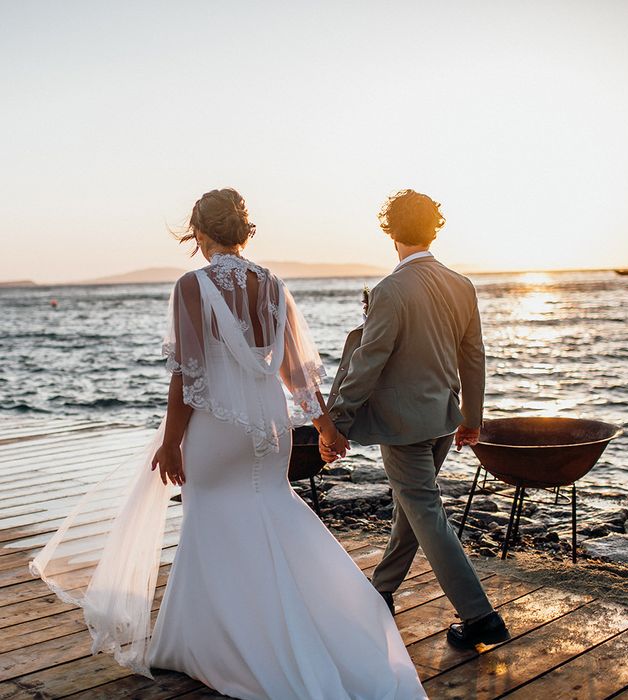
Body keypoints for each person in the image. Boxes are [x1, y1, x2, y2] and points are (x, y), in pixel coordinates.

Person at [31, 188, 426, 700]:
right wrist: (324, 424)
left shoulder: (192, 286)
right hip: (271, 428)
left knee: (210, 520)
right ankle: (290, 630)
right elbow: (296, 372)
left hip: (217, 426)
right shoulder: (273, 284)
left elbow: (187, 375)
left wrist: (171, 441)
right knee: (270, 513)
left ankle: (219, 645)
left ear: (199, 232)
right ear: (242, 231)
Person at [321, 189, 510, 649]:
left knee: (425, 511)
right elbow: (474, 355)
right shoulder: (460, 284)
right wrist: (473, 416)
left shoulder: (391, 288)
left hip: (404, 427)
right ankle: (381, 590)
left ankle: (480, 616)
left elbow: (369, 362)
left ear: (390, 231)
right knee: (414, 508)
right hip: (445, 419)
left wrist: (337, 421)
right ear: (435, 229)